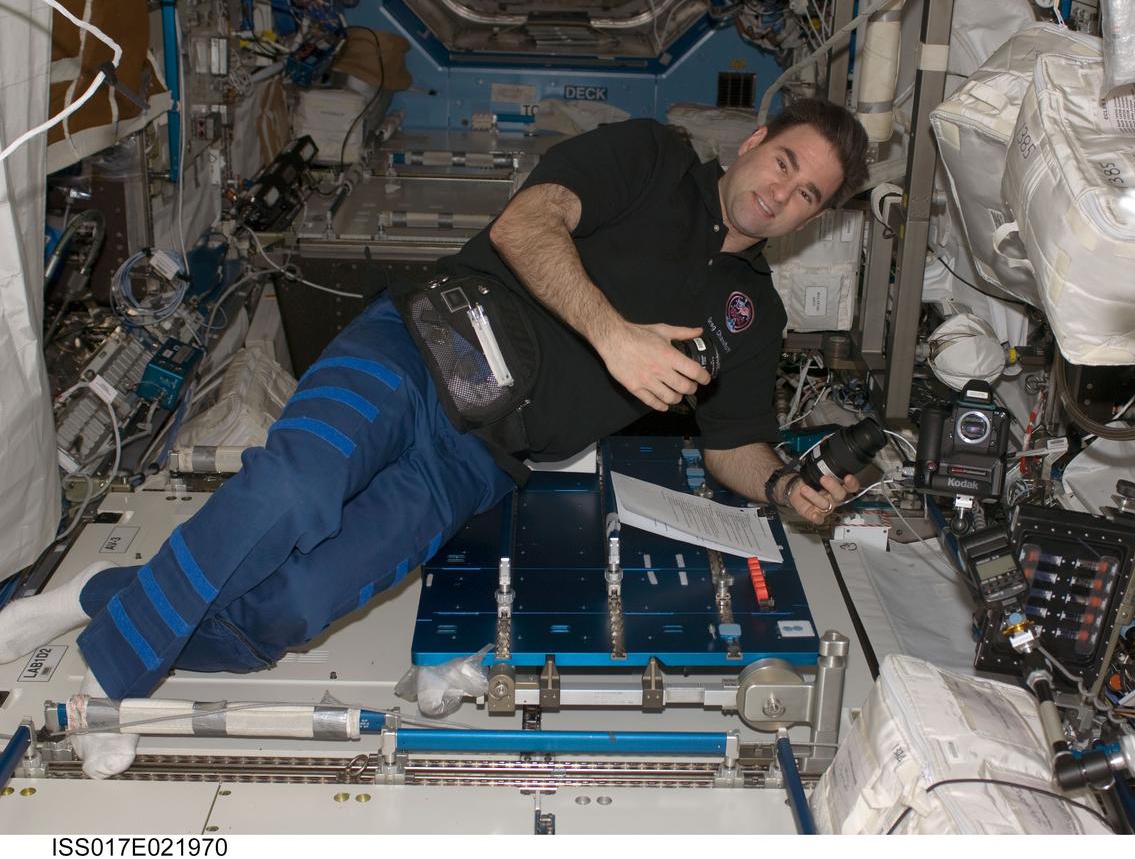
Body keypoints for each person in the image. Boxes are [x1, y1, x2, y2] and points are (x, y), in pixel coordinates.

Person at [0, 97, 870, 777]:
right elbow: (526, 224)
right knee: (293, 492)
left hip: (479, 462)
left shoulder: (753, 316)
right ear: (756, 140)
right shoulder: (653, 157)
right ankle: (105, 685)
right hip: (423, 349)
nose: (781, 193)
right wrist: (614, 335)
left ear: (814, 217)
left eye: (808, 196)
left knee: (290, 614)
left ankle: (100, 594)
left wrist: (790, 488)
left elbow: (735, 447)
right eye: (784, 163)